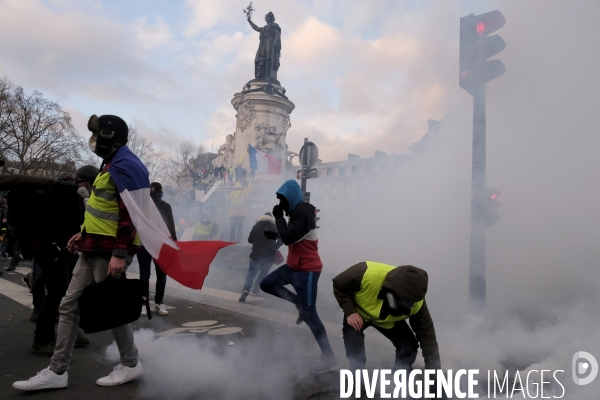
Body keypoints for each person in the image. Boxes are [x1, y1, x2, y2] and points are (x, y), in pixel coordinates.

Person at [13, 114, 144, 391]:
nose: (93, 140)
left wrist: (120, 252)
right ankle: (58, 371)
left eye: (97, 135)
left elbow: (131, 213)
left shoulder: (126, 165)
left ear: (110, 137)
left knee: (111, 308)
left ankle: (131, 363)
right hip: (92, 247)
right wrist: (82, 234)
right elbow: (101, 208)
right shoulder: (111, 163)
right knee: (68, 305)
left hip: (109, 251)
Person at [260, 180, 338, 373]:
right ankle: (298, 303)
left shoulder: (303, 212)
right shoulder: (296, 213)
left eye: (283, 201)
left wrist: (278, 218)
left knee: (311, 315)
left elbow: (289, 236)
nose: (281, 206)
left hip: (308, 271)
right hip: (293, 267)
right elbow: (291, 236)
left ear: (291, 198)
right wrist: (276, 235)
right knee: (267, 283)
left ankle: (329, 358)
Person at [332, 262, 441, 372]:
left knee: (409, 346)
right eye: (401, 300)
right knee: (352, 336)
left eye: (408, 302)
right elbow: (338, 285)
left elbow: (427, 338)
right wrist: (350, 311)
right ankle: (357, 371)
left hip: (388, 321)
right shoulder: (365, 273)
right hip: (359, 314)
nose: (403, 305)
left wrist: (434, 374)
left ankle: (401, 374)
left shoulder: (417, 304)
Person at [138, 182, 176, 317]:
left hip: (161, 245)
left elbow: (171, 226)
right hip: (144, 245)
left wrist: (174, 244)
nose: (153, 196)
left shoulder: (166, 207)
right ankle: (144, 302)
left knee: (161, 275)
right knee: (144, 275)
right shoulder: (143, 207)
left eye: (155, 192)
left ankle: (159, 301)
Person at [239, 212, 281, 302]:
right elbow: (281, 239)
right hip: (269, 255)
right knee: (263, 273)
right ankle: (255, 290)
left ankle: (246, 289)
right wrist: (276, 246)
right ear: (271, 219)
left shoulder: (256, 226)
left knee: (252, 272)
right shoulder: (274, 227)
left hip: (256, 254)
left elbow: (250, 240)